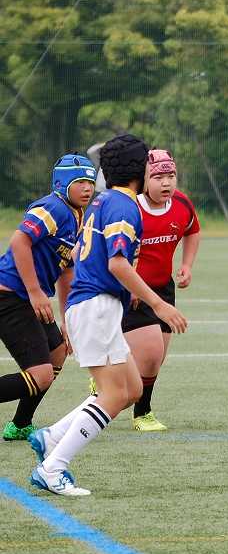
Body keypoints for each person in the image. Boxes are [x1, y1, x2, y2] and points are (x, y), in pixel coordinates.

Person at [28, 134, 188, 496]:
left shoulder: (105, 201)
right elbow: (117, 263)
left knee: (131, 389)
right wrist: (159, 304)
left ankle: (51, 437)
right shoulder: (123, 206)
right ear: (139, 171)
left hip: (96, 307)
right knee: (114, 395)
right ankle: (53, 468)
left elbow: (93, 256)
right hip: (95, 307)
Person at [0, 154, 96, 441]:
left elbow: (67, 271)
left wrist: (68, 320)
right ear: (61, 184)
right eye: (80, 182)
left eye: (90, 182)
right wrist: (35, 292)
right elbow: (19, 241)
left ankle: (20, 424)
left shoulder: (78, 216)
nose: (87, 188)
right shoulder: (53, 207)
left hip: (26, 298)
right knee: (40, 375)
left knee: (57, 352)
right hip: (9, 297)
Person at [119, 149, 201, 431]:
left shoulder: (181, 204)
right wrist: (127, 286)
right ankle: (142, 413)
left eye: (171, 176)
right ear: (144, 179)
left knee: (156, 358)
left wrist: (187, 265)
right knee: (152, 354)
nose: (166, 183)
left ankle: (114, 378)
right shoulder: (130, 208)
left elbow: (193, 230)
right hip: (132, 290)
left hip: (163, 288)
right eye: (158, 177)